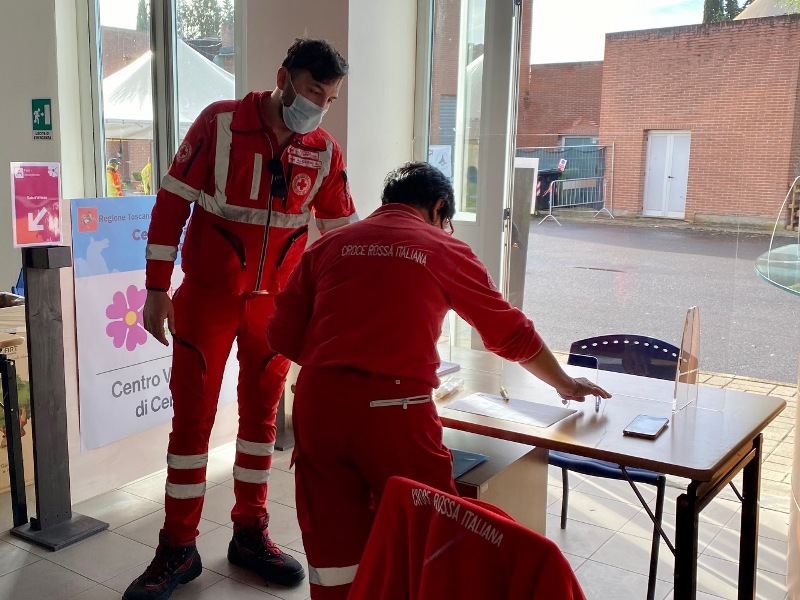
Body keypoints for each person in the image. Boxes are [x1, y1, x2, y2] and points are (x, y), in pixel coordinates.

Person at [266, 161, 611, 600]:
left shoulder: (330, 245)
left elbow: (281, 333)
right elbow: (510, 334)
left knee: (333, 545)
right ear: (437, 207)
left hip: (319, 407)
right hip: (393, 413)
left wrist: (339, 366)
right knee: (431, 531)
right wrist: (564, 383)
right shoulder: (443, 248)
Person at [123, 38, 356, 600]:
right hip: (207, 299)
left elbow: (339, 237)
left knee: (262, 424)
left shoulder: (324, 150)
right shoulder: (220, 123)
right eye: (312, 92)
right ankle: (178, 546)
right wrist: (156, 289)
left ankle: (250, 531)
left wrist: (334, 308)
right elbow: (171, 204)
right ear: (283, 78)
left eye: (329, 99)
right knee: (192, 422)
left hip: (276, 307)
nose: (319, 106)